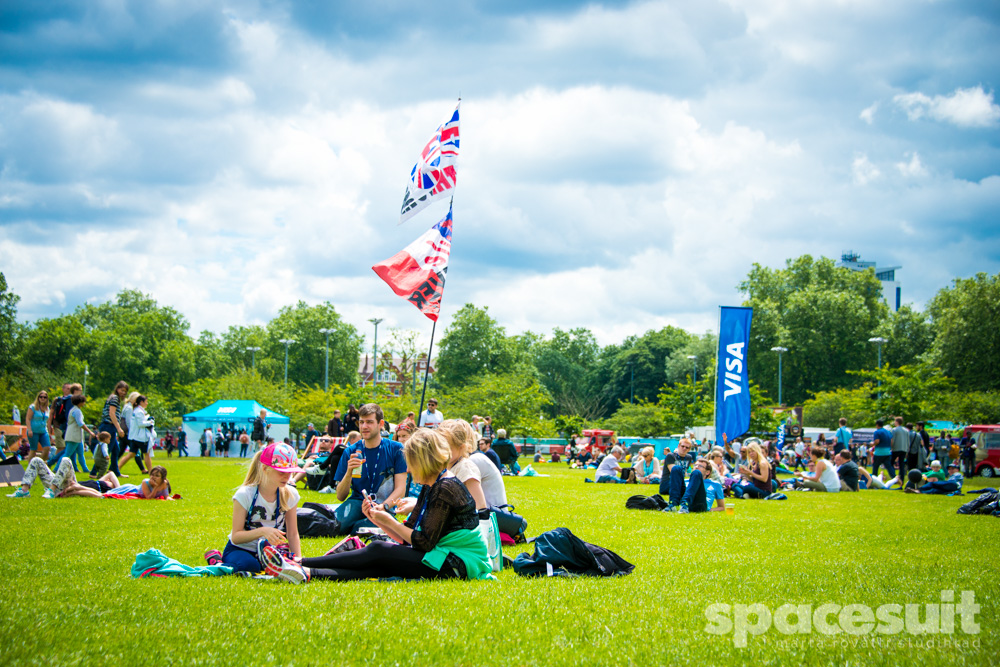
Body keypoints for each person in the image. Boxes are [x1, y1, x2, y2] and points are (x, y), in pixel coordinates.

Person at [268, 428, 492, 584]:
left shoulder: (445, 488)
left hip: (457, 563)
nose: (410, 471)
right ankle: (305, 572)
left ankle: (298, 562)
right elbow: (408, 537)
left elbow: (422, 543)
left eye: (411, 464)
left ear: (423, 461)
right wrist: (379, 520)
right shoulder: (433, 484)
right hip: (442, 555)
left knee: (378, 550)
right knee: (380, 562)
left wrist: (387, 520)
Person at [217, 443, 306, 575]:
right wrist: (263, 531)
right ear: (265, 468)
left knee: (282, 567)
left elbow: (292, 533)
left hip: (270, 551)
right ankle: (215, 559)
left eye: (290, 472)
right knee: (250, 566)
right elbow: (236, 537)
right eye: (281, 472)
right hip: (240, 548)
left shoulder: (290, 495)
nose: (287, 477)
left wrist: (297, 561)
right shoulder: (245, 494)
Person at [333, 403, 407, 536]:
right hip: (357, 502)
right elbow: (340, 496)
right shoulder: (350, 451)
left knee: (361, 530)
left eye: (369, 422)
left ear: (381, 423)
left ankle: (361, 524)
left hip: (383, 505)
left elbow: (401, 489)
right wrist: (349, 473)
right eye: (361, 422)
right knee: (335, 526)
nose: (364, 426)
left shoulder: (396, 449)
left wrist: (384, 506)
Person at [439, 419, 489, 509]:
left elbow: (480, 505)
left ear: (461, 447)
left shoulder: (466, 468)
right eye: (440, 447)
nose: (443, 452)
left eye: (448, 448)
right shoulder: (447, 466)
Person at [6, 456, 77, 498]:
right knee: (36, 460)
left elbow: (88, 490)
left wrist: (74, 490)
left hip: (69, 486)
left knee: (66, 460)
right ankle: (24, 491)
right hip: (57, 482)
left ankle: (51, 491)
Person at [98, 381, 129, 478]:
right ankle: (95, 472)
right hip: (109, 426)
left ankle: (116, 472)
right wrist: (119, 428)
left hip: (109, 426)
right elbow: (112, 414)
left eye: (125, 391)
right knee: (108, 450)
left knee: (116, 450)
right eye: (122, 390)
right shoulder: (115, 398)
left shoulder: (113, 398)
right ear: (117, 389)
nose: (123, 392)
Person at [120, 395, 153, 473]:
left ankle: (117, 469)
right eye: (146, 402)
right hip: (140, 437)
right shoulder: (139, 411)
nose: (147, 403)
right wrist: (150, 422)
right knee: (146, 454)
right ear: (141, 402)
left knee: (131, 454)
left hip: (134, 437)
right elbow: (140, 424)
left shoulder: (137, 410)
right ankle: (151, 472)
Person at [63, 394, 95, 473]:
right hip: (73, 435)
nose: (84, 403)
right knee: (67, 454)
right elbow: (80, 423)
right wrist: (90, 432)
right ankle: (57, 468)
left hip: (77, 436)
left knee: (81, 453)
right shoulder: (77, 411)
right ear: (80, 402)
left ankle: (85, 469)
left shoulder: (74, 409)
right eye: (83, 401)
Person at [658, 438, 694, 503]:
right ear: (678, 446)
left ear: (689, 449)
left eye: (687, 447)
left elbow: (685, 471)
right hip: (668, 483)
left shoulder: (689, 457)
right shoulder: (671, 456)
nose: (684, 448)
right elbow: (673, 471)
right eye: (682, 446)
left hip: (680, 483)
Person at [25, 390, 52, 464]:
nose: (43, 398)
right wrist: (29, 429)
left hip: (43, 431)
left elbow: (47, 420)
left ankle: (41, 464)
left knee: (47, 448)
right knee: (33, 449)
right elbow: (28, 418)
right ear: (38, 397)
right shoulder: (33, 407)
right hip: (33, 431)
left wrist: (49, 431)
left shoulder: (47, 409)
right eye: (41, 397)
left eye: (45, 397)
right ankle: (30, 467)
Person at [46, 383, 72, 461]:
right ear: (63, 389)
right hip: (58, 425)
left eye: (70, 389)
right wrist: (49, 426)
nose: (69, 390)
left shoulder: (71, 400)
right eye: (67, 388)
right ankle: (54, 462)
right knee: (61, 447)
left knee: (67, 447)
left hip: (68, 426)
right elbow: (51, 414)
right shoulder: (57, 400)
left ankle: (60, 462)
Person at [890, 417, 910, 486]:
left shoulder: (894, 430)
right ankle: (902, 479)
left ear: (897, 422)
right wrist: (907, 449)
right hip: (904, 449)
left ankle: (894, 477)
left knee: (891, 463)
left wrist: (891, 447)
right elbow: (908, 441)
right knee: (901, 465)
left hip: (896, 448)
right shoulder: (906, 430)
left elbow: (893, 440)